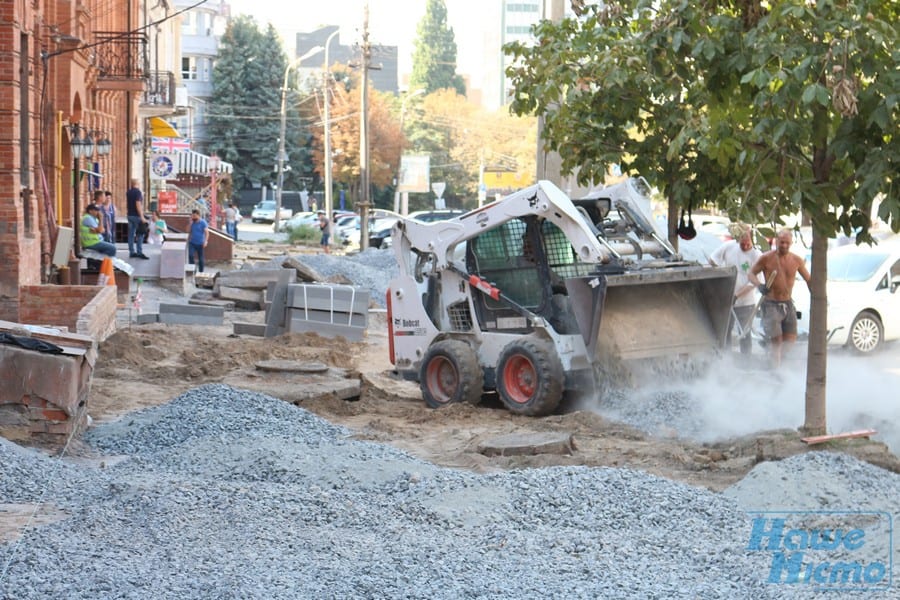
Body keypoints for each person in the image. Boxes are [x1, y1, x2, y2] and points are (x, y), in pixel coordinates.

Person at [748, 229, 812, 368]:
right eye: (782, 242)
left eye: (787, 243)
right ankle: (776, 371)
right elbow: (751, 274)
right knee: (776, 340)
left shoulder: (796, 260)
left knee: (789, 341)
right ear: (776, 241)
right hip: (771, 304)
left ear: (791, 243)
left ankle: (775, 362)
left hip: (788, 303)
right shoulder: (766, 258)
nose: (784, 245)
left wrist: (816, 297)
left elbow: (809, 280)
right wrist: (759, 285)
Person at [709, 224, 762, 354]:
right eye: (742, 243)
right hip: (726, 298)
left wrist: (737, 296)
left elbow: (755, 282)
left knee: (744, 332)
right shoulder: (729, 246)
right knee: (725, 330)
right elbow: (712, 259)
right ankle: (726, 358)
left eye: (747, 244)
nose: (744, 246)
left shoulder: (757, 255)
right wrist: (717, 269)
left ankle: (746, 362)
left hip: (746, 302)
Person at [126, 178, 149, 259]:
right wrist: (142, 217)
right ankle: (139, 252)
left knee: (131, 234)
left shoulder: (128, 192)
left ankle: (131, 252)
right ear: (137, 183)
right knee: (140, 233)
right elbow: (138, 205)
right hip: (136, 216)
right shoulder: (138, 192)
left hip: (129, 215)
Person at [188, 209, 210, 273]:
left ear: (198, 215)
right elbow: (188, 231)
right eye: (192, 216)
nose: (193, 217)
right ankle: (193, 270)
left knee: (201, 258)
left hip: (200, 243)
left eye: (195, 216)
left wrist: (206, 241)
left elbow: (207, 233)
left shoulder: (203, 222)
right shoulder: (192, 223)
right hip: (192, 242)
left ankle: (201, 272)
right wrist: (190, 223)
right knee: (191, 255)